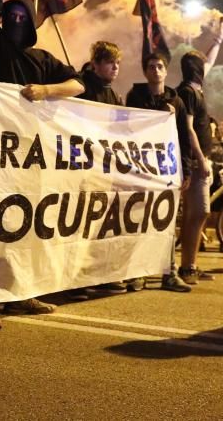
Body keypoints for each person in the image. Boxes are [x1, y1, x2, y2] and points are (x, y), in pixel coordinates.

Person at [0, 0, 84, 328]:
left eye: (24, 16)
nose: (17, 21)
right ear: (2, 21)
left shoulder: (41, 60)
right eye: (11, 15)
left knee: (25, 224)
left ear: (33, 23)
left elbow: (78, 85)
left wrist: (46, 91)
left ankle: (21, 293)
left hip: (29, 153)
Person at [125, 51, 202, 293]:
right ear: (146, 71)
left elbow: (183, 139)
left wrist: (186, 171)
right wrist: (159, 114)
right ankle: (138, 274)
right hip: (141, 169)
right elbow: (129, 127)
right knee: (139, 221)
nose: (156, 70)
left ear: (166, 71)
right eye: (151, 66)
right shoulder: (135, 97)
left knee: (166, 222)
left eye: (160, 66)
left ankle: (170, 272)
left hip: (167, 170)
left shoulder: (176, 101)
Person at [68, 41, 128, 299]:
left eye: (118, 63)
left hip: (103, 170)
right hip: (82, 167)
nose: (116, 67)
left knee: (98, 226)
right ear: (96, 64)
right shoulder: (82, 86)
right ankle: (74, 281)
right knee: (80, 225)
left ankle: (96, 274)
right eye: (110, 62)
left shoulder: (113, 94)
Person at [176, 25, 223, 285]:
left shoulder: (195, 87)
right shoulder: (188, 92)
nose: (207, 67)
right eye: (201, 65)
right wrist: (202, 159)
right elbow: (189, 128)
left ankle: (190, 265)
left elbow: (211, 60)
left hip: (199, 161)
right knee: (198, 213)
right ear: (195, 68)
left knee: (198, 214)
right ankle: (187, 268)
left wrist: (218, 39)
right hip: (196, 163)